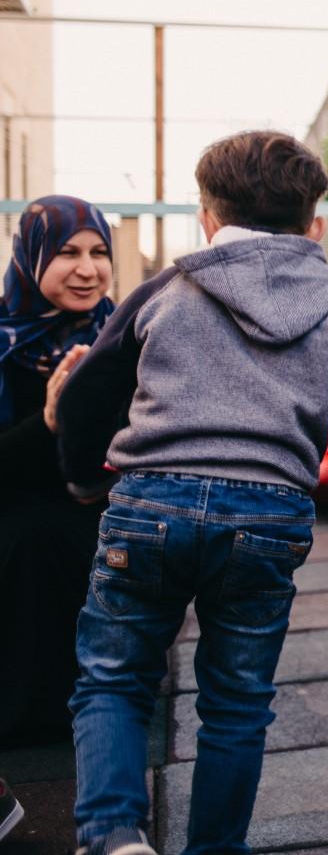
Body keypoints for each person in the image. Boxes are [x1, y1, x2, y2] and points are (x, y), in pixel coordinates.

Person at [56, 130, 328, 855]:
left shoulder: (166, 290)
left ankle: (115, 831)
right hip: (267, 515)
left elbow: (88, 393)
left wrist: (87, 477)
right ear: (314, 225)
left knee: (114, 679)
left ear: (208, 218)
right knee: (237, 702)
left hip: (151, 502)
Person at [0, 197, 117, 841]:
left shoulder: (122, 333)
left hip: (101, 509)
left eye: (98, 252)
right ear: (32, 258)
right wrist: (48, 423)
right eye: (68, 252)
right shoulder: (3, 341)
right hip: (17, 512)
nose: (87, 269)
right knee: (32, 539)